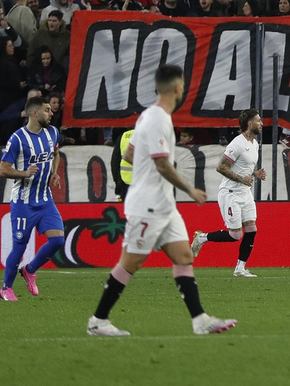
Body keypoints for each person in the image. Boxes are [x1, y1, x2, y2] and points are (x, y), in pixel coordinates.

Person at [87, 64, 235, 337]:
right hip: (148, 205)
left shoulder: (147, 117)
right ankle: (98, 320)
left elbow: (130, 155)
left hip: (164, 204)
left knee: (183, 255)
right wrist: (190, 189)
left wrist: (147, 170)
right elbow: (163, 165)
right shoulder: (159, 120)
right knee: (130, 263)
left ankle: (199, 319)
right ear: (178, 87)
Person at [0, 95, 65, 301]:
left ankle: (30, 269)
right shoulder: (17, 139)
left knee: (58, 240)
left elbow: (56, 154)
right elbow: (3, 169)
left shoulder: (52, 132)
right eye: (47, 110)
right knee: (19, 247)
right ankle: (6, 288)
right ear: (34, 113)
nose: (51, 113)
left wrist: (54, 172)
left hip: (45, 199)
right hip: (23, 202)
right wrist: (24, 173)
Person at [191, 108, 267, 278]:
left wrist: (254, 174)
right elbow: (221, 167)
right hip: (231, 193)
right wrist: (241, 179)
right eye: (259, 120)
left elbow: (243, 167)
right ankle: (202, 238)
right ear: (249, 124)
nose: (262, 124)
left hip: (245, 193)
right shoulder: (237, 143)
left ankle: (240, 268)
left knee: (252, 229)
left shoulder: (254, 144)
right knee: (235, 235)